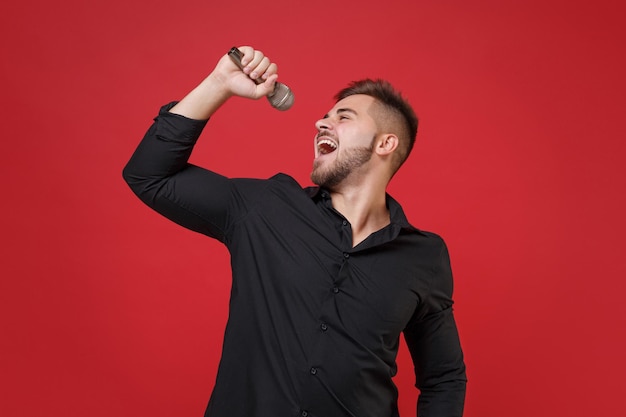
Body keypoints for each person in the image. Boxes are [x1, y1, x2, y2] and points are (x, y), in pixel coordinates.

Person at [123, 46, 466, 417]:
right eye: (324, 117)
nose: (322, 123)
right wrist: (219, 83)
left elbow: (443, 377)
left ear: (385, 143)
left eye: (344, 117)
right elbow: (149, 175)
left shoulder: (424, 256)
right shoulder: (265, 207)